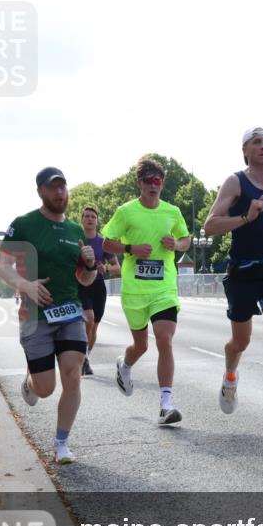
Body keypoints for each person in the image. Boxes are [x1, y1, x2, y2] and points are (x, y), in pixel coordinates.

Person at [203, 128, 263, 442]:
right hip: (242, 271)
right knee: (240, 342)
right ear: (245, 151)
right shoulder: (236, 182)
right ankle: (230, 375)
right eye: (256, 142)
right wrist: (246, 218)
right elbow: (210, 225)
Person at [0, 166, 98, 464]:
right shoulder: (25, 224)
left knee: (73, 376)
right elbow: (1, 265)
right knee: (45, 388)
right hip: (35, 316)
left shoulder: (76, 231)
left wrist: (90, 266)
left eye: (63, 186)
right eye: (53, 187)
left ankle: (61, 444)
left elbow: (85, 280)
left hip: (69, 313)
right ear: (40, 191)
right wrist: (24, 285)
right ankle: (30, 383)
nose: (59, 192)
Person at [102, 158, 191, 425]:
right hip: (136, 290)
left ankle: (166, 404)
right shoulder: (126, 212)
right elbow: (108, 241)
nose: (154, 185)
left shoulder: (172, 211)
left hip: (163, 288)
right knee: (141, 345)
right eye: (149, 181)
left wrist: (175, 244)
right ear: (140, 184)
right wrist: (131, 249)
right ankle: (125, 365)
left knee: (164, 339)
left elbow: (186, 239)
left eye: (158, 181)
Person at [77, 206, 121, 376]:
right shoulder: (76, 241)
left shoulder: (103, 243)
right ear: (82, 220)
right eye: (86, 216)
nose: (89, 219)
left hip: (98, 286)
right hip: (81, 285)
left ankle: (86, 357)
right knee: (89, 319)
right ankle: (83, 358)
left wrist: (107, 269)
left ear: (97, 221)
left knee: (94, 327)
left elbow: (117, 268)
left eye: (93, 216)